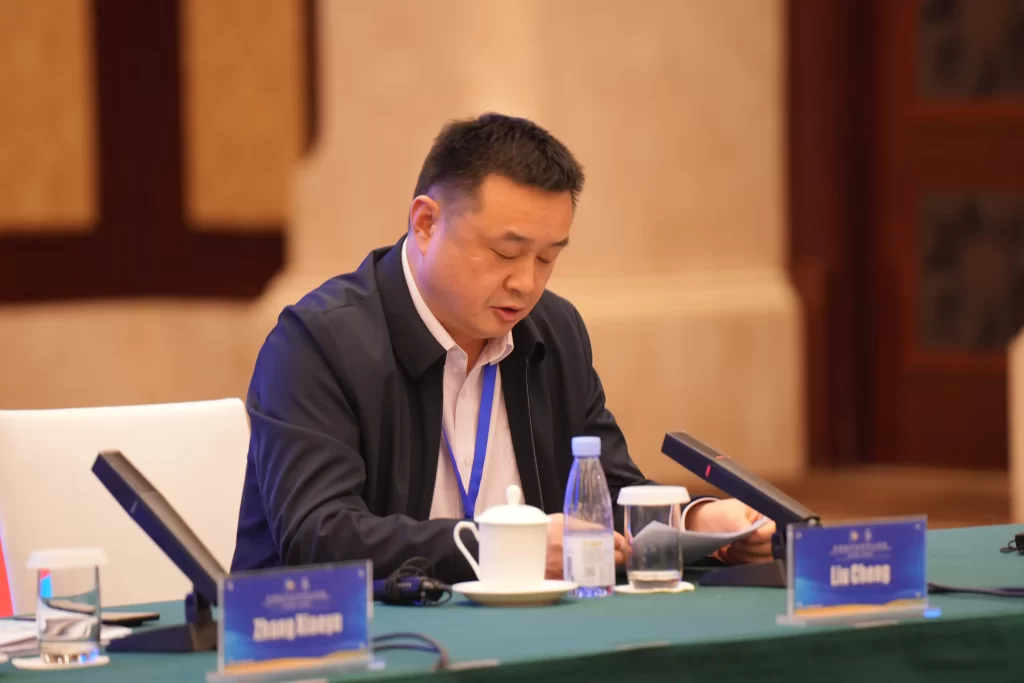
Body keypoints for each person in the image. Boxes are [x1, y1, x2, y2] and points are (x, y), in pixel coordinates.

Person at [231, 113, 776, 583]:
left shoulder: (552, 331)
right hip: (339, 641)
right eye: (505, 253)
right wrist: (507, 548)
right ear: (426, 223)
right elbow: (320, 536)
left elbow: (602, 493)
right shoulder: (319, 343)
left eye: (547, 258)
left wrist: (696, 524)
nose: (526, 283)